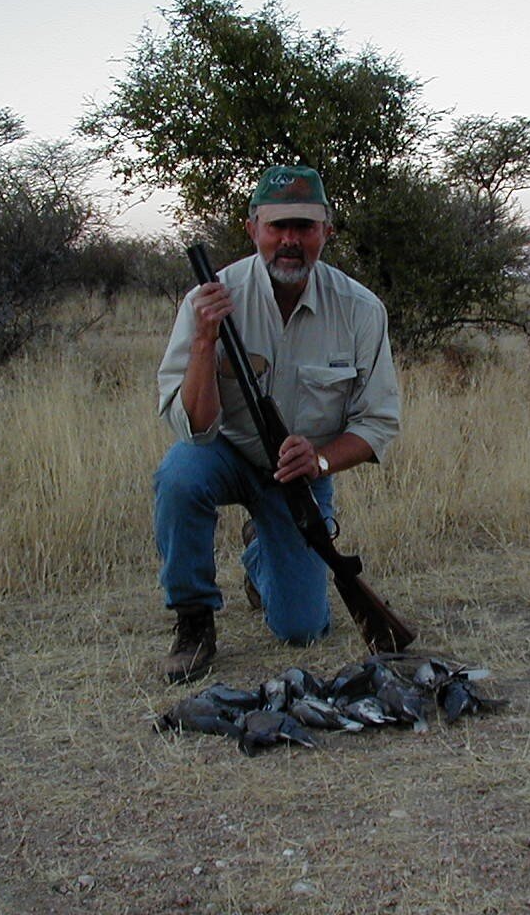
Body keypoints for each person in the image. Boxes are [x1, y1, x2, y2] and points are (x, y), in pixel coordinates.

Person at [153, 166, 401, 683]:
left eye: (305, 227)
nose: (290, 240)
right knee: (179, 473)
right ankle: (194, 620)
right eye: (277, 226)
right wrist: (204, 341)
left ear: (327, 231)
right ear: (253, 229)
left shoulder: (360, 309)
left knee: (302, 630)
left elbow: (378, 423)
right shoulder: (210, 298)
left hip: (300, 475)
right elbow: (194, 428)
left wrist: (321, 460)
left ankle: (260, 555)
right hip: (224, 453)